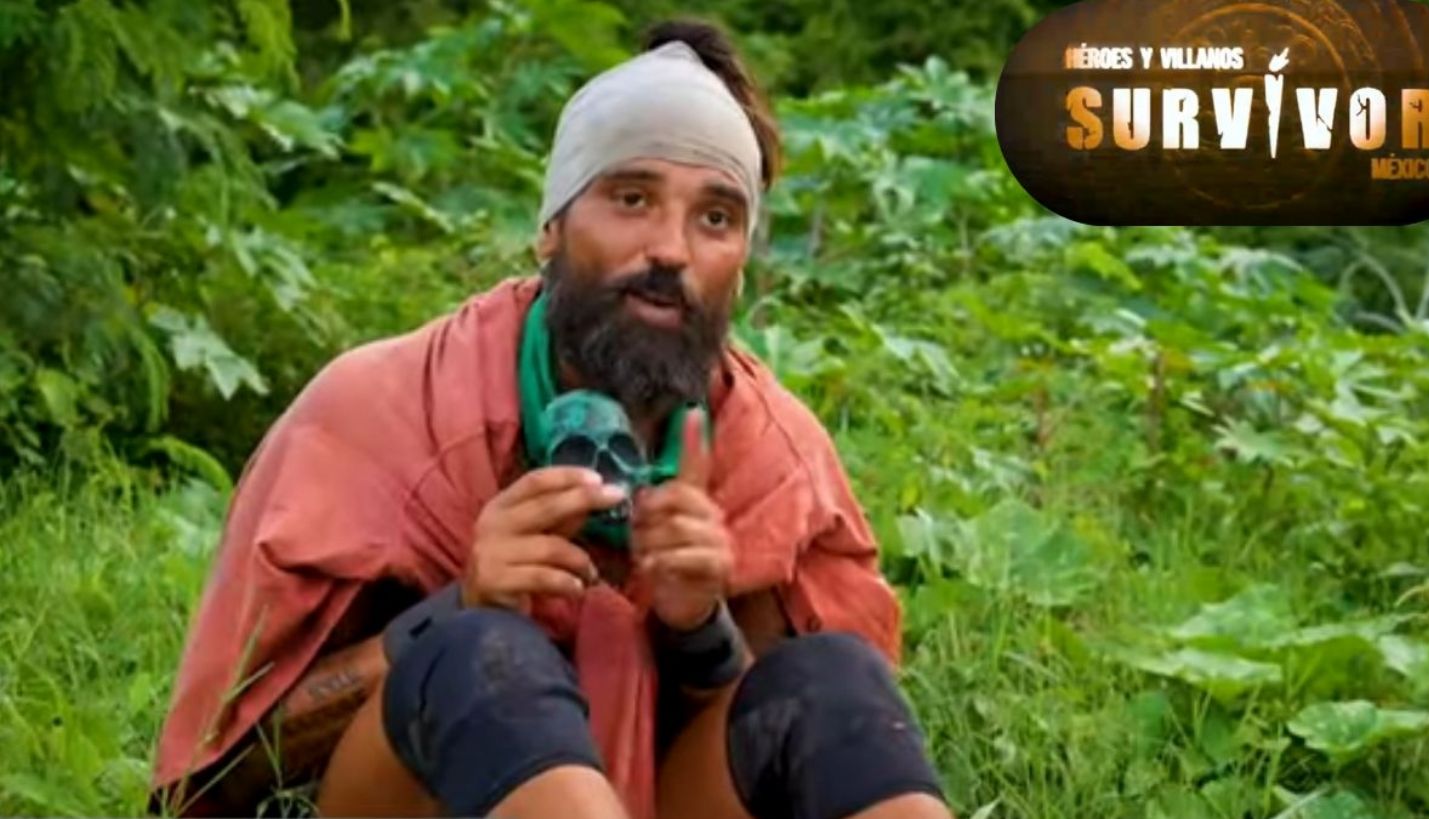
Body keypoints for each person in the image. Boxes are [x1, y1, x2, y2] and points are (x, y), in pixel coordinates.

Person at [150, 19, 950, 819]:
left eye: (715, 218)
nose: (671, 249)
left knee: (832, 681)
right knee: (484, 654)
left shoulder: (775, 461)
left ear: (740, 266)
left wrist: (698, 628)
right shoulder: (381, 414)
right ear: (550, 226)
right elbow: (220, 777)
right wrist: (458, 607)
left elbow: (791, 764)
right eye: (632, 199)